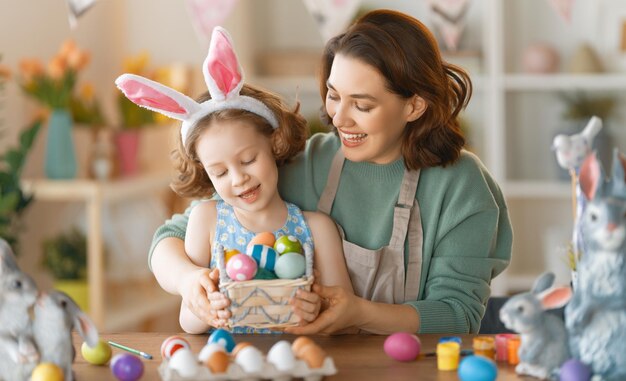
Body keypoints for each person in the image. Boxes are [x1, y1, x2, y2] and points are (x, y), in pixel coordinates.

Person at [149, 9, 512, 335]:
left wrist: (358, 313)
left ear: (414, 105)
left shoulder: (462, 186)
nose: (338, 119)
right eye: (334, 95)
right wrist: (188, 281)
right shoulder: (306, 162)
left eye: (362, 105)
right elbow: (173, 235)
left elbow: (458, 314)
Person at [116, 26, 353, 334]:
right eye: (221, 172)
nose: (239, 179)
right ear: (206, 173)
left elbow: (345, 321)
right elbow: (188, 323)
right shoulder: (207, 220)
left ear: (274, 144)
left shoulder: (316, 229)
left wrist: (317, 309)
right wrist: (203, 303)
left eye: (248, 160)